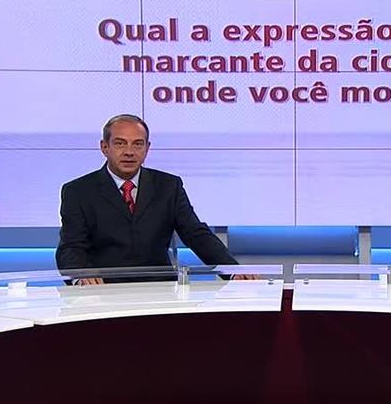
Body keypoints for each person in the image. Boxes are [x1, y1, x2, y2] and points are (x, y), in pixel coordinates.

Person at [56, 114, 249, 284]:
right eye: (120, 143)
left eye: (137, 144)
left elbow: (196, 234)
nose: (129, 152)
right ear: (104, 147)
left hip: (160, 290)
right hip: (102, 292)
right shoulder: (77, 191)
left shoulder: (168, 186)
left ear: (147, 148)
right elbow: (71, 247)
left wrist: (233, 271)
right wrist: (81, 276)